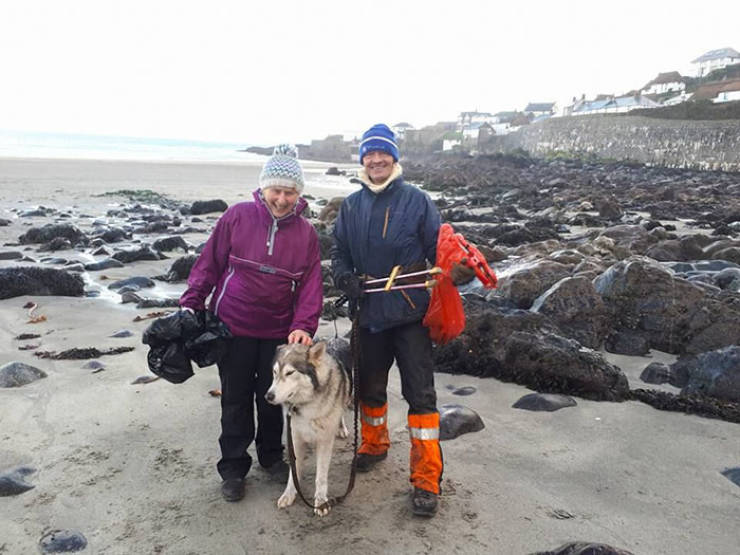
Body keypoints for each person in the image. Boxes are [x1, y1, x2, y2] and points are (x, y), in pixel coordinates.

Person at [180, 144, 322, 502]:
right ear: (263, 188)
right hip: (233, 326)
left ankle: (272, 457)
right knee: (236, 399)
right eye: (276, 190)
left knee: (273, 399)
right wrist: (191, 302)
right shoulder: (237, 217)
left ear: (299, 194)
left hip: (279, 334)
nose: (282, 198)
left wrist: (304, 324)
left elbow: (310, 284)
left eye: (290, 192)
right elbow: (209, 263)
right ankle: (233, 468)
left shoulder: (306, 234)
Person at [331, 123, 445, 517]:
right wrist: (344, 277)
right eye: (369, 154)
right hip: (369, 315)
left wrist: (455, 268)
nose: (376, 160)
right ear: (362, 159)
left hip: (412, 314)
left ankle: (427, 478)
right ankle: (374, 444)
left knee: (421, 396)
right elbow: (339, 251)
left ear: (394, 159)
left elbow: (439, 250)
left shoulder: (418, 200)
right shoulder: (350, 205)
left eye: (384, 154)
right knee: (370, 388)